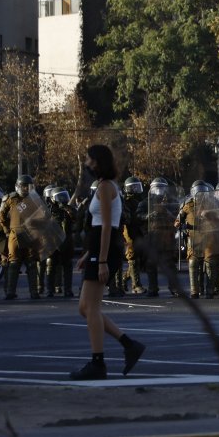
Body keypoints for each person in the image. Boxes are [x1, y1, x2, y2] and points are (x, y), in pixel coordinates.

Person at [70, 144, 145, 380]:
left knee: (91, 307)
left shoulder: (104, 187)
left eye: (89, 159)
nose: (86, 163)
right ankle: (129, 344)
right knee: (85, 308)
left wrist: (100, 260)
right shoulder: (107, 186)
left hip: (105, 250)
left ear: (98, 161)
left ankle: (98, 362)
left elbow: (105, 227)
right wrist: (88, 255)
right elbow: (102, 224)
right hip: (99, 249)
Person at [0, 175, 42, 300]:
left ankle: (34, 292)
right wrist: (7, 230)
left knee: (31, 263)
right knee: (13, 263)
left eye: (28, 186)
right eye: (24, 186)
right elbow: (1, 214)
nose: (26, 189)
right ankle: (10, 292)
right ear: (18, 186)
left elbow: (42, 216)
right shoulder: (10, 198)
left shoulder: (34, 199)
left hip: (30, 233)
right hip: (15, 234)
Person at [47, 187, 76, 298]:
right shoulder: (48, 210)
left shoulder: (68, 210)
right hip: (53, 242)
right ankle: (50, 290)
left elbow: (76, 217)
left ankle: (68, 290)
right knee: (51, 266)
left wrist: (67, 209)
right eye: (60, 196)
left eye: (64, 196)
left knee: (68, 266)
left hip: (66, 241)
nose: (63, 198)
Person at [122, 177, 147, 295]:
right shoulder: (125, 201)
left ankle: (124, 279)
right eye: (133, 187)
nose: (136, 189)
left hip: (138, 231)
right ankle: (136, 285)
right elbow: (128, 218)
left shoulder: (141, 200)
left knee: (139, 259)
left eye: (137, 186)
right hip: (129, 231)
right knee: (132, 257)